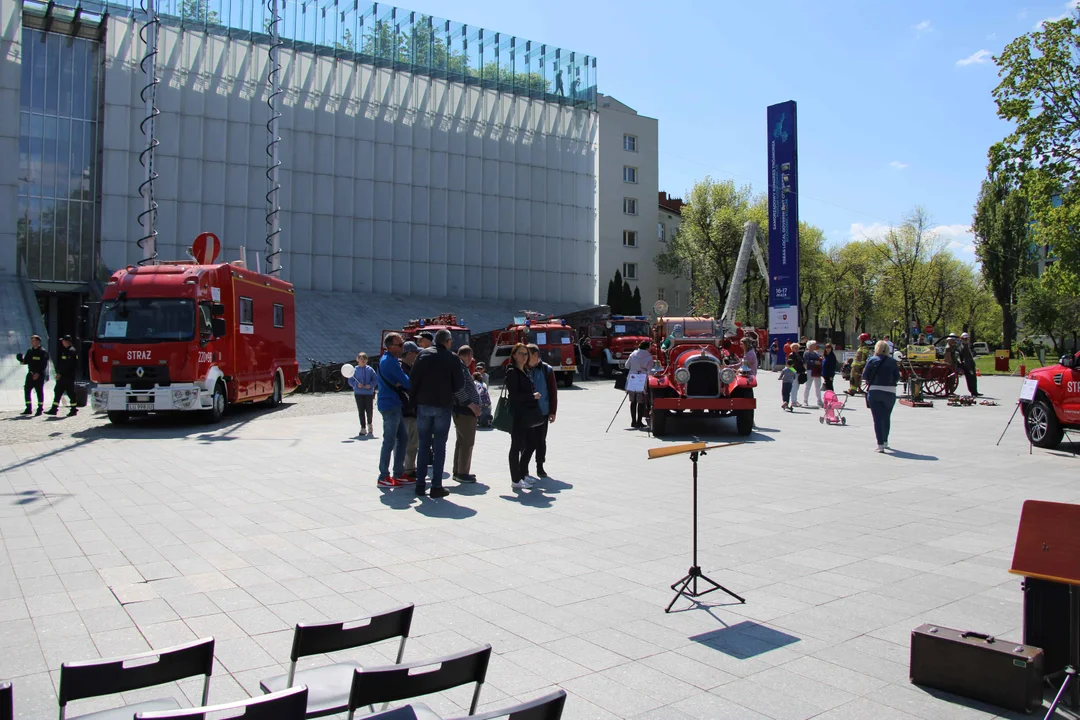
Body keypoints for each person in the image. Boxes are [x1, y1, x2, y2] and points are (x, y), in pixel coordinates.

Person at [409, 329, 464, 498]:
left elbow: (413, 379)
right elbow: (459, 385)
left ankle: (420, 485)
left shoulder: (423, 355)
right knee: (439, 445)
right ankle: (436, 486)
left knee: (423, 444)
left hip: (424, 405)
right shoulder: (452, 358)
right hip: (442, 405)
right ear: (447, 341)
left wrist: (415, 401)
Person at [376, 333, 412, 488]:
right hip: (390, 405)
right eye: (400, 344)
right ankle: (383, 476)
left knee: (402, 438)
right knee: (389, 440)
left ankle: (398, 472)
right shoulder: (390, 362)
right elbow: (406, 381)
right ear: (390, 346)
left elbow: (401, 380)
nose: (402, 347)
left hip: (392, 404)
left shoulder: (388, 359)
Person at [505, 344, 541, 490]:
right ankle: (515, 479)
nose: (524, 357)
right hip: (518, 414)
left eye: (526, 354)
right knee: (516, 446)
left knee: (532, 443)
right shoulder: (512, 372)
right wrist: (531, 396)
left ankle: (522, 474)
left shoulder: (524, 370)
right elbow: (514, 395)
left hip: (527, 413)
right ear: (514, 355)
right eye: (521, 354)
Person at [524, 344, 559, 477]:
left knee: (540, 440)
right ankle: (524, 467)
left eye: (528, 354)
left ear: (536, 356)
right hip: (526, 411)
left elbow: (553, 392)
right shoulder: (523, 368)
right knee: (525, 441)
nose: (525, 357)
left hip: (542, 411)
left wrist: (552, 411)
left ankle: (540, 465)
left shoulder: (546, 369)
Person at [451, 346, 482, 484]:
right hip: (465, 410)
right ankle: (462, 473)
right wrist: (472, 405)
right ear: (469, 355)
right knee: (467, 442)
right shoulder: (460, 368)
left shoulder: (459, 367)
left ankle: (458, 470)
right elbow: (459, 390)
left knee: (462, 441)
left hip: (462, 409)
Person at [863, 339, 901, 452]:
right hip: (890, 392)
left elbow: (865, 375)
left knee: (877, 419)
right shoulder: (893, 362)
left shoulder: (872, 360)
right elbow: (897, 377)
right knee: (886, 417)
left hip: (875, 391)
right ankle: (885, 441)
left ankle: (880, 445)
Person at [399, 341, 421, 479]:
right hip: (406, 411)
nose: (417, 356)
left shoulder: (409, 368)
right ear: (410, 353)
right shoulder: (403, 369)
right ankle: (405, 470)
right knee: (406, 444)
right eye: (415, 353)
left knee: (412, 444)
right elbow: (408, 389)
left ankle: (409, 469)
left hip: (410, 412)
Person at [46, 335, 79, 417]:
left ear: (67, 341)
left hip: (68, 377)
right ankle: (54, 409)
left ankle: (73, 409)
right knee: (57, 391)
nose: (62, 342)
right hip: (62, 377)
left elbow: (68, 365)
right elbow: (62, 364)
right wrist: (58, 373)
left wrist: (60, 373)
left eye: (63, 340)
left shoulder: (72, 351)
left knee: (70, 393)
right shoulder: (65, 350)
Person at [18, 334, 49, 416]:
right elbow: (25, 361)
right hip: (30, 374)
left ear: (38, 341)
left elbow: (44, 365)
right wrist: (20, 360)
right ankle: (28, 408)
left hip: (39, 375)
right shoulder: (30, 351)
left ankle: (40, 408)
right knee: (27, 390)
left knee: (39, 391)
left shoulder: (43, 352)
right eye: (31, 340)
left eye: (34, 340)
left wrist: (38, 373)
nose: (32, 342)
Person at [348, 352, 377, 437]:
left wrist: (370, 385)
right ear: (357, 360)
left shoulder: (370, 369)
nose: (363, 360)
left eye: (364, 359)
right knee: (361, 410)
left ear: (367, 360)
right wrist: (357, 385)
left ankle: (370, 424)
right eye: (361, 359)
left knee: (369, 410)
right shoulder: (354, 370)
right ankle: (363, 427)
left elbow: (375, 379)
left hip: (368, 393)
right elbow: (350, 381)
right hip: (358, 393)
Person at [625, 340, 653, 428]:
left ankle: (633, 421)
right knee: (641, 401)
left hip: (632, 377)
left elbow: (627, 366)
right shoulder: (649, 357)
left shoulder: (632, 354)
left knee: (633, 401)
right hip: (642, 377)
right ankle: (639, 421)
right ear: (647, 347)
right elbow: (650, 370)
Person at [802, 340, 823, 407]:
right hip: (810, 370)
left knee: (818, 386)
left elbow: (820, 358)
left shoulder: (816, 353)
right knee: (808, 386)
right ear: (810, 346)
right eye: (814, 344)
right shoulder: (806, 353)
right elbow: (806, 361)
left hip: (816, 371)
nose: (815, 346)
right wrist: (814, 362)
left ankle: (819, 401)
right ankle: (805, 400)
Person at [959, 333, 981, 397]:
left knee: (974, 378)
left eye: (967, 339)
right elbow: (962, 357)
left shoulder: (967, 346)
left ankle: (975, 391)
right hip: (967, 364)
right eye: (964, 339)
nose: (966, 340)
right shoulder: (962, 347)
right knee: (970, 378)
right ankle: (972, 392)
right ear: (962, 339)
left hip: (971, 363)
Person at [789, 342, 805, 407]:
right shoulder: (791, 355)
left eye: (797, 348)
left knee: (797, 387)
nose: (796, 349)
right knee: (794, 387)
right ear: (792, 348)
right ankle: (793, 401)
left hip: (799, 373)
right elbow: (789, 365)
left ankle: (795, 400)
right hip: (795, 373)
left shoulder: (797, 355)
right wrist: (794, 371)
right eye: (795, 348)